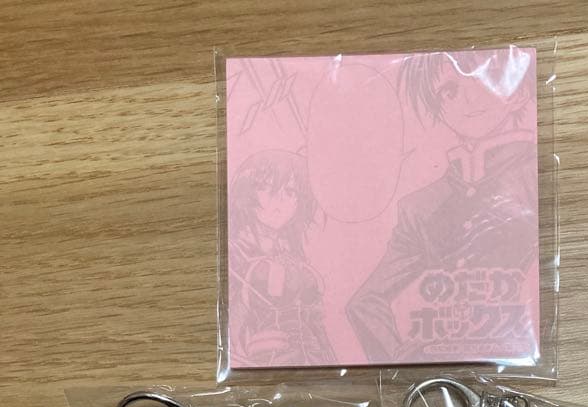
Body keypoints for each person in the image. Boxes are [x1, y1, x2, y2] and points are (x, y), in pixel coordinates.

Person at [346, 48, 539, 363]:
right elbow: (364, 302)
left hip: (519, 354)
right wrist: (401, 360)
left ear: (519, 92)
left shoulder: (535, 178)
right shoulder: (421, 206)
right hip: (444, 365)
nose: (468, 100)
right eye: (449, 91)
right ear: (440, 109)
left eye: (483, 80)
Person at [228, 149, 334, 366]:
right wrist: (244, 352)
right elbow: (230, 328)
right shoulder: (234, 254)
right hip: (263, 364)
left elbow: (316, 324)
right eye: (266, 188)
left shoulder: (292, 256)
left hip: (312, 361)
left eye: (290, 191)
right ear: (247, 191)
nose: (279, 201)